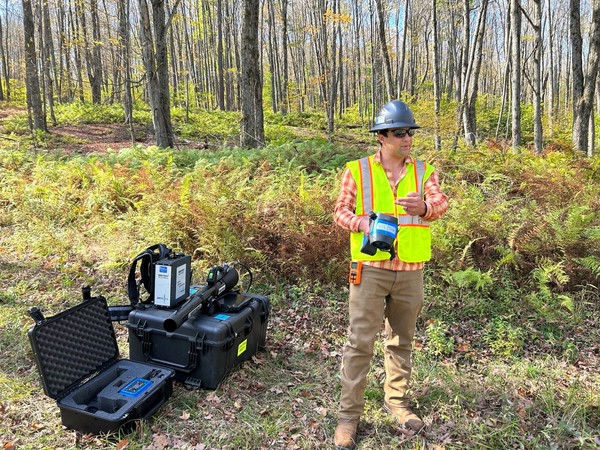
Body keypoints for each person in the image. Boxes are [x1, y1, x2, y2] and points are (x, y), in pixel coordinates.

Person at [332, 100, 449, 450]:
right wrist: (362, 222)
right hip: (370, 269)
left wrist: (425, 208)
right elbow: (340, 212)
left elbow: (441, 204)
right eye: (400, 132)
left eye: (410, 131)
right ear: (382, 136)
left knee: (401, 340)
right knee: (360, 342)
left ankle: (397, 402)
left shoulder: (424, 171)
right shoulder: (358, 170)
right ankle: (348, 417)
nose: (407, 138)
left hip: (411, 270)